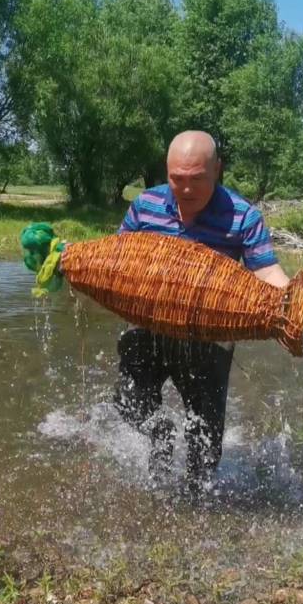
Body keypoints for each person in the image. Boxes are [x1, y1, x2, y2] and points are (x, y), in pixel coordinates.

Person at [113, 130, 290, 497]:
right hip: (147, 324)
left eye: (197, 179)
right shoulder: (145, 205)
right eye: (177, 178)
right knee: (128, 401)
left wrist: (289, 299)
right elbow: (115, 257)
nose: (186, 189)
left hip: (209, 336)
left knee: (205, 442)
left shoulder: (243, 216)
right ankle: (160, 433)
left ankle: (197, 501)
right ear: (166, 171)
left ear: (217, 170)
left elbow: (266, 270)